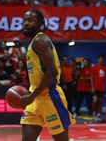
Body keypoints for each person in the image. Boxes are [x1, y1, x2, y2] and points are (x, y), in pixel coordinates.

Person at [20, 9, 75, 141]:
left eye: (30, 20)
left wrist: (31, 96)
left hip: (50, 97)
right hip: (35, 97)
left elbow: (52, 72)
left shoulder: (40, 40)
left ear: (40, 23)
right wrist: (32, 96)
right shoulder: (32, 42)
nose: (26, 23)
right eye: (25, 20)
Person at [91, 54, 106, 122]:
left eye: (102, 59)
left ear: (104, 60)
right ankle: (94, 113)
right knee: (95, 101)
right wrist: (92, 87)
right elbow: (91, 77)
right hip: (95, 88)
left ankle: (99, 114)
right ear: (98, 60)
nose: (101, 60)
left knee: (100, 102)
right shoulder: (94, 67)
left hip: (102, 88)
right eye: (99, 59)